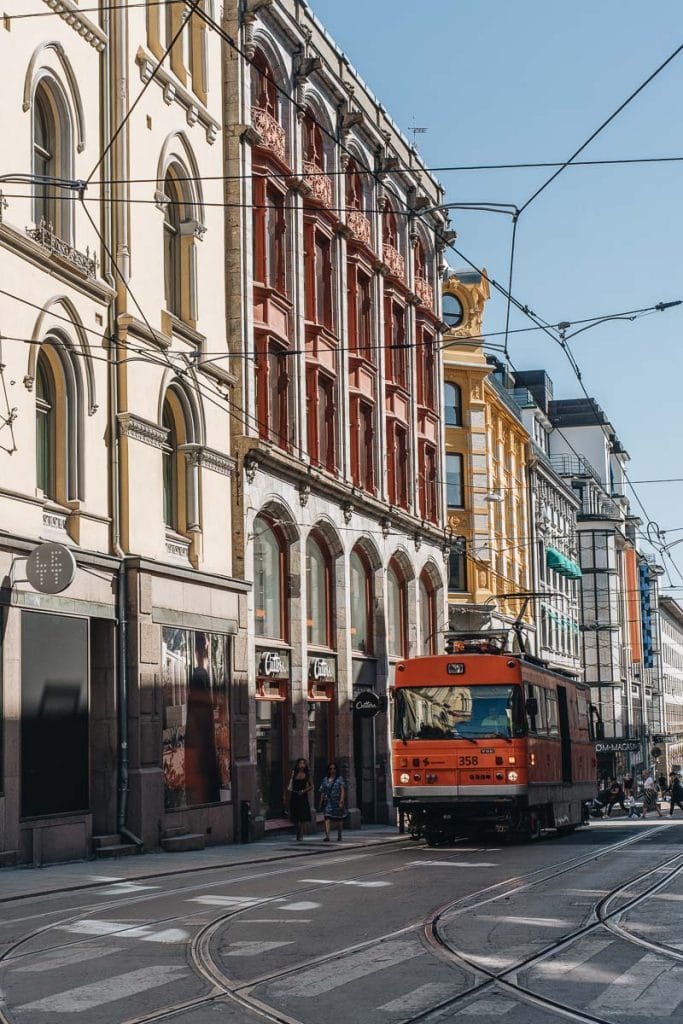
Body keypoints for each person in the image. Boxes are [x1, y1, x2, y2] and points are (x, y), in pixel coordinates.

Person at [184, 632, 221, 806]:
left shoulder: (201, 672)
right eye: (206, 643)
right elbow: (201, 703)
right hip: (201, 729)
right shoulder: (199, 673)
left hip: (202, 728)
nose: (208, 646)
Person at [319, 762, 346, 842]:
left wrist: (341, 800)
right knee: (327, 817)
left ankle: (339, 835)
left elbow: (342, 790)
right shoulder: (325, 779)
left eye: (334, 768)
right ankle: (327, 836)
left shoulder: (339, 778)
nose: (332, 770)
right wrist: (320, 802)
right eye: (330, 768)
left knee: (339, 819)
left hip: (337, 801)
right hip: (328, 801)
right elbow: (322, 791)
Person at [287, 758, 313, 840]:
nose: (301, 765)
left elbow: (311, 786)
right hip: (295, 796)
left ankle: (300, 834)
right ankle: (297, 833)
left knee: (301, 817)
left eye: (303, 763)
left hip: (302, 796)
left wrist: (304, 791)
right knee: (295, 816)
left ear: (305, 765)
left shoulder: (307, 775)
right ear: (297, 765)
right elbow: (290, 784)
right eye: (300, 763)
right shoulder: (294, 774)